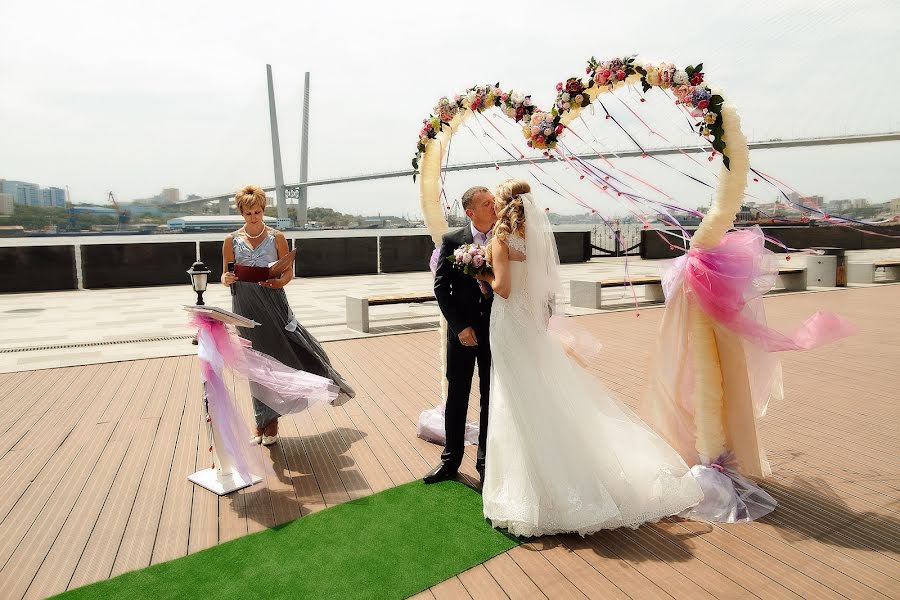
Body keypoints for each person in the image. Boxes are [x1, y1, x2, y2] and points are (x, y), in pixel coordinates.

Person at [476, 179, 702, 537]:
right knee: (536, 397)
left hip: (508, 327)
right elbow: (535, 286)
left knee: (514, 400)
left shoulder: (501, 239)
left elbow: (502, 288)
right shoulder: (530, 238)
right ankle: (556, 483)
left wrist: (479, 271)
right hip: (529, 327)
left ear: (502, 205)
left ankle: (533, 494)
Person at [221, 185, 355, 446]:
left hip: (273, 304)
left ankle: (276, 418)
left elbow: (287, 273)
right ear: (241, 213)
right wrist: (227, 278)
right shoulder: (231, 240)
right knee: (255, 366)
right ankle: (263, 424)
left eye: (258, 212)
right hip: (244, 306)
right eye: (249, 213)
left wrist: (280, 281)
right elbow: (225, 276)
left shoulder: (277, 237)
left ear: (264, 210)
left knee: (283, 355)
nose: (254, 217)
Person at [423, 186, 496, 485]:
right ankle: (450, 462)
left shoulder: (504, 238)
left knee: (491, 397)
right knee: (457, 396)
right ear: (470, 212)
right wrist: (459, 327)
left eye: (493, 202)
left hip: (497, 331)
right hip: (462, 333)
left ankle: (485, 463)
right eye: (487, 203)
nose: (494, 206)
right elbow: (441, 288)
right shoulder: (452, 240)